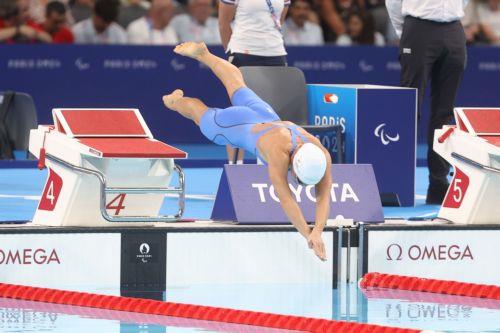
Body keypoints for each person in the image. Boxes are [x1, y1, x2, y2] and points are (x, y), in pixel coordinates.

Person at [163, 42, 332, 261]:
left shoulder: (320, 152)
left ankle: (205, 55)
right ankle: (175, 101)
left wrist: (318, 231)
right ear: (295, 164)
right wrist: (308, 234)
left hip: (264, 114)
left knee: (235, 82)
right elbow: (287, 200)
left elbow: (323, 195)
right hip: (238, 126)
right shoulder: (278, 155)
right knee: (200, 113)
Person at [386, 0, 468, 204]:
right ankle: (398, 183)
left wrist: (452, 14)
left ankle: (438, 184)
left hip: (453, 28)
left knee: (445, 112)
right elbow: (393, 2)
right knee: (409, 108)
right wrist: (405, 28)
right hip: (418, 28)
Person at [218, 0, 290, 164]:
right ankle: (236, 166)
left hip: (276, 53)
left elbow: (278, 20)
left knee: (272, 113)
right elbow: (223, 24)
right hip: (243, 52)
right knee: (240, 111)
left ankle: (267, 164)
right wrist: (231, 53)